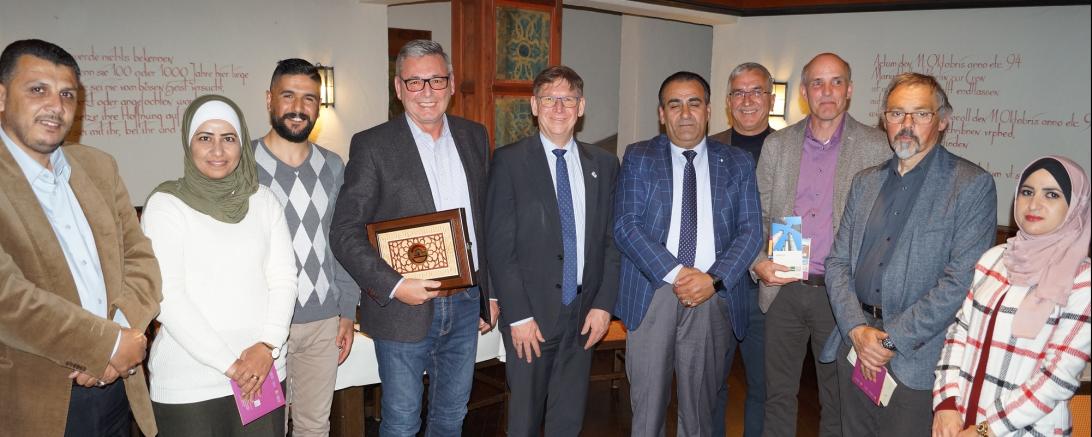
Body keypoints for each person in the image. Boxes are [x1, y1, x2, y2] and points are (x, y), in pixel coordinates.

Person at [330, 39, 499, 437]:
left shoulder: (475, 136)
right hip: (403, 308)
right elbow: (343, 231)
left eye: (436, 80)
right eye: (415, 82)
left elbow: (486, 221)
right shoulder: (372, 145)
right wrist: (395, 284)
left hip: (465, 303)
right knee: (402, 422)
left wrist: (490, 292)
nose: (427, 92)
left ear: (452, 84)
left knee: (451, 417)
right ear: (398, 87)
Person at [820, 72, 997, 437]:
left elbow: (960, 283)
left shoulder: (971, 186)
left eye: (921, 114)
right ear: (884, 119)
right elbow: (837, 263)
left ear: (943, 120)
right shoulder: (864, 182)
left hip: (917, 357)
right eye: (897, 113)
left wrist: (889, 340)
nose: (906, 125)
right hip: (856, 343)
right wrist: (856, 330)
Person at [0, 38, 161, 437]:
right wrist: (103, 345)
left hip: (118, 386)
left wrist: (121, 340)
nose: (55, 105)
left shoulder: (99, 167)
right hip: (36, 399)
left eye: (67, 93)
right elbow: (8, 297)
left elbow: (141, 259)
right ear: (1, 96)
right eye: (38, 90)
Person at [613, 71, 762, 437]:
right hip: (654, 291)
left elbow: (751, 230)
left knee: (699, 411)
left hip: (711, 294)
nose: (685, 113)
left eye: (694, 103)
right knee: (647, 408)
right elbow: (625, 226)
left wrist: (711, 278)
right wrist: (678, 273)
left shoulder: (737, 162)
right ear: (661, 114)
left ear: (709, 110)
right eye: (674, 104)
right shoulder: (639, 156)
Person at [141, 94, 298, 436]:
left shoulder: (264, 201)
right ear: (188, 143)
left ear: (241, 143)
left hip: (264, 370)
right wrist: (233, 365)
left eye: (228, 138)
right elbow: (168, 296)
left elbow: (284, 278)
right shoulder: (166, 205)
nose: (217, 150)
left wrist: (268, 346)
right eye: (204, 138)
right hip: (190, 381)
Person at [754, 52, 890, 437]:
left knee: (838, 400)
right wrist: (758, 261)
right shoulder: (777, 145)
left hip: (840, 296)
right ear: (803, 92)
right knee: (777, 395)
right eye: (817, 83)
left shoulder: (878, 147)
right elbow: (755, 216)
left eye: (835, 82)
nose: (826, 91)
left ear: (849, 90)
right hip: (783, 288)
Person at [486, 65, 620, 437]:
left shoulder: (605, 164)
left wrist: (603, 304)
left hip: (584, 313)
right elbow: (500, 246)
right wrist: (518, 315)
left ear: (581, 107)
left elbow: (611, 241)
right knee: (525, 421)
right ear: (534, 105)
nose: (558, 107)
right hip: (532, 318)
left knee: (569, 418)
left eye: (568, 99)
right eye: (549, 99)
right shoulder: (509, 161)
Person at [933, 156, 1090, 437]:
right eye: (1027, 192)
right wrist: (945, 403)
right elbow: (959, 333)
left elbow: (1057, 377)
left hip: (1022, 430)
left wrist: (986, 430)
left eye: (1051, 195)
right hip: (961, 422)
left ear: (1075, 207)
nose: (1034, 204)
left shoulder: (1082, 280)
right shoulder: (995, 259)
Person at [253, 58, 360, 436]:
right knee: (262, 428)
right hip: (260, 327)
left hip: (322, 324)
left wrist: (346, 310)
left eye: (309, 98)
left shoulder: (334, 166)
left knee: (315, 427)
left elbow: (343, 241)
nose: (299, 108)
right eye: (288, 96)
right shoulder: (241, 165)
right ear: (269, 100)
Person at [708, 61, 776, 437]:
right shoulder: (706, 147)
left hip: (766, 290)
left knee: (763, 389)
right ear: (727, 101)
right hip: (715, 288)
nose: (747, 100)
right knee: (711, 385)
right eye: (738, 92)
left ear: (770, 97)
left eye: (756, 91)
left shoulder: (791, 148)